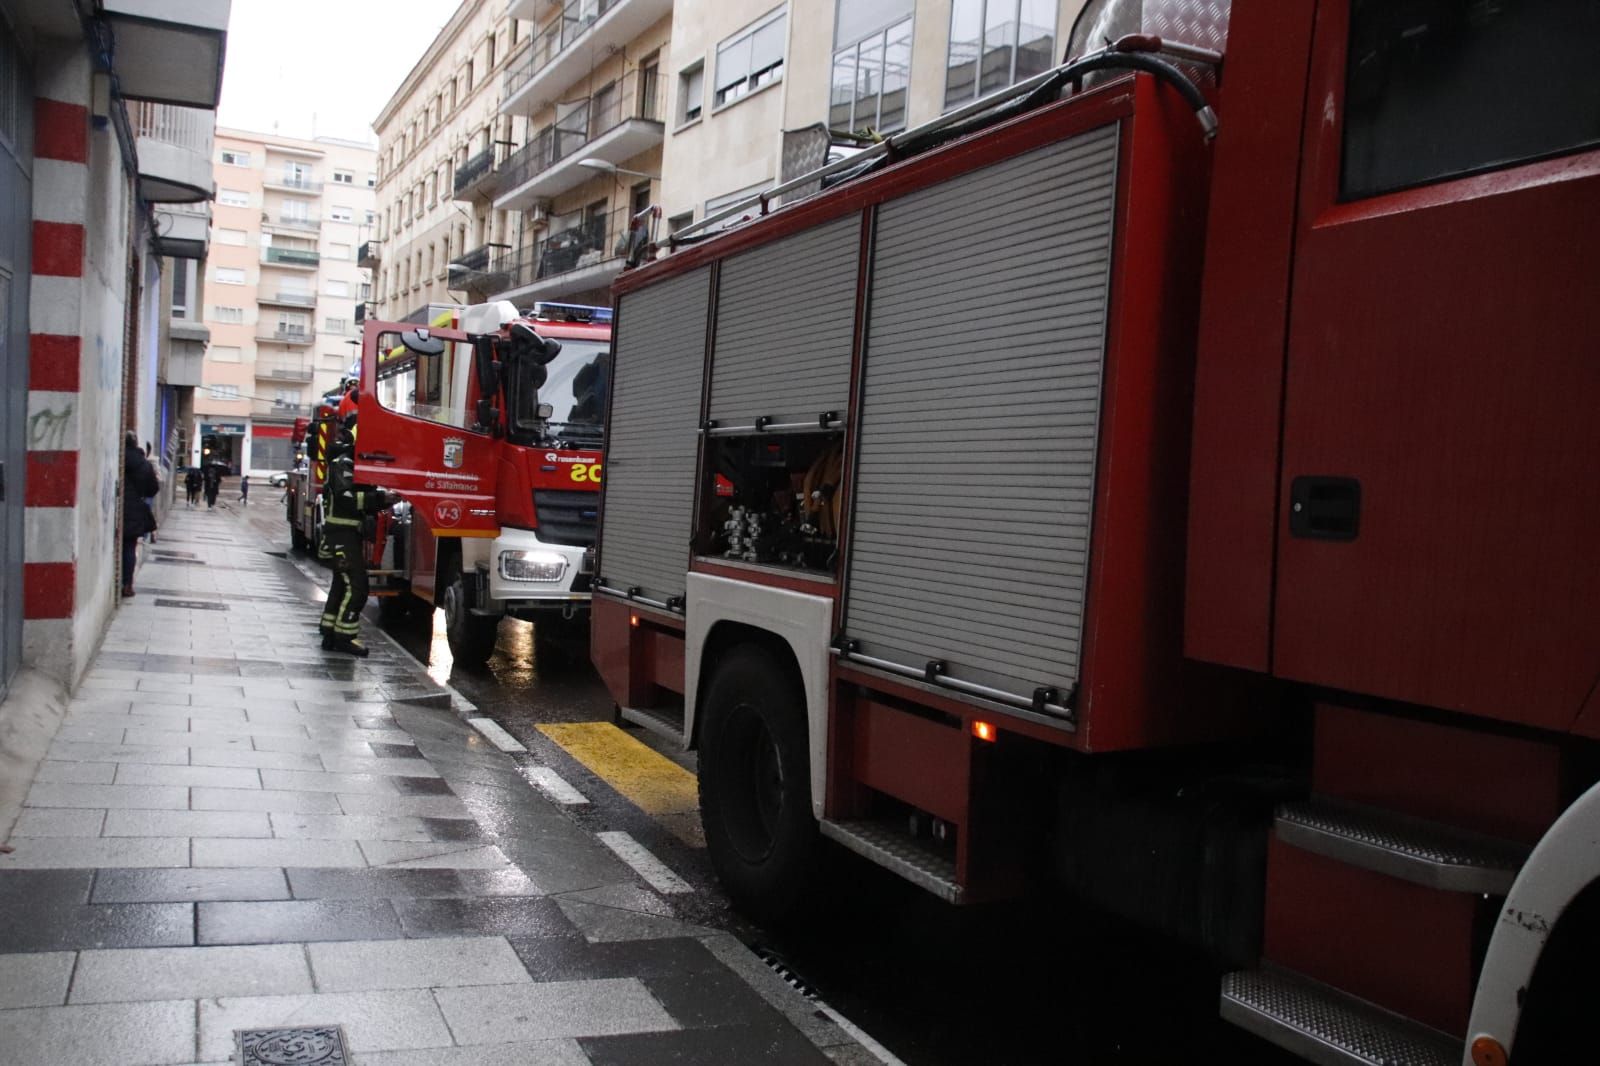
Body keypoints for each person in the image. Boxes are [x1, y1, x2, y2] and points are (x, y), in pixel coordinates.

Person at [318, 414, 395, 657]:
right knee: (358, 587)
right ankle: (345, 637)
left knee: (341, 586)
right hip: (342, 533)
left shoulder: (351, 462)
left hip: (345, 533)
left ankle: (330, 632)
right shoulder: (344, 463)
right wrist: (382, 499)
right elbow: (347, 499)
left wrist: (382, 501)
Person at [121, 431, 160, 598]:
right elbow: (154, 489)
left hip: (119, 506)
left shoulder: (119, 458)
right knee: (129, 547)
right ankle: (127, 584)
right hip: (135, 509)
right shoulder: (144, 464)